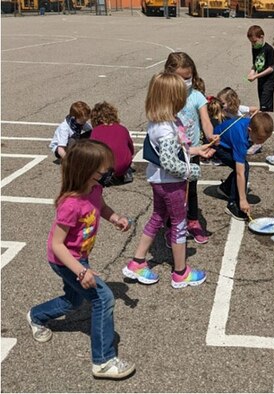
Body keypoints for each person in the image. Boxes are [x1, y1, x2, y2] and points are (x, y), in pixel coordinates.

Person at [27, 139, 135, 380]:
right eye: (102, 170)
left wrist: (115, 217)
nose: (107, 173)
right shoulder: (70, 204)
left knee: (73, 301)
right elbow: (57, 244)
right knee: (102, 298)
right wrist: (81, 270)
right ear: (86, 171)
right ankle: (103, 361)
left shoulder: (95, 188)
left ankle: (36, 315)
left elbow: (102, 207)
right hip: (65, 260)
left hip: (79, 257)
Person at [122, 72, 215, 287]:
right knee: (179, 224)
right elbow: (170, 163)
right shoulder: (166, 130)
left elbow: (175, 152)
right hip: (171, 183)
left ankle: (137, 261)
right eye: (181, 95)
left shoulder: (161, 122)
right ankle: (180, 272)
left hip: (159, 181)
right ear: (172, 98)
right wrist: (193, 171)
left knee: (157, 217)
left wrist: (196, 150)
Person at [164, 52, 215, 244]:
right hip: (173, 153)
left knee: (191, 189)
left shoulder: (197, 95)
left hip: (194, 151)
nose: (187, 82)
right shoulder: (166, 97)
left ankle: (193, 222)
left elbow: (205, 121)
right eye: (182, 78)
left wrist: (211, 135)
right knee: (173, 191)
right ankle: (171, 225)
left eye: (189, 78)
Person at [214, 112, 273, 220]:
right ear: (250, 130)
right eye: (259, 139)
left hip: (228, 141)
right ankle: (233, 204)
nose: (262, 142)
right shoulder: (241, 138)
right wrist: (243, 199)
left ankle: (226, 188)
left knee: (242, 167)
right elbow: (240, 173)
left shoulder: (251, 125)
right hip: (218, 145)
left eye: (266, 139)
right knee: (243, 168)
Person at [90, 101, 134, 184]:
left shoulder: (96, 131)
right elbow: (131, 148)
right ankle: (125, 171)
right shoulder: (122, 128)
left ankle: (106, 175)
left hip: (105, 167)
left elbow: (93, 152)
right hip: (123, 165)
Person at [217, 87, 261, 155]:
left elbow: (256, 109)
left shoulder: (240, 109)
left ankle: (256, 144)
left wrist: (251, 119)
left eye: (223, 103)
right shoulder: (225, 110)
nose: (221, 105)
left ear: (230, 102)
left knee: (250, 134)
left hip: (246, 126)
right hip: (238, 126)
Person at [246, 25, 274, 113]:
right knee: (262, 104)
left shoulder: (269, 49)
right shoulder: (255, 48)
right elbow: (255, 64)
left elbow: (271, 68)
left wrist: (256, 76)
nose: (253, 44)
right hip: (261, 80)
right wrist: (251, 72)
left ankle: (263, 124)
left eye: (255, 41)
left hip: (269, 81)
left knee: (264, 106)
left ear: (261, 37)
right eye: (251, 42)